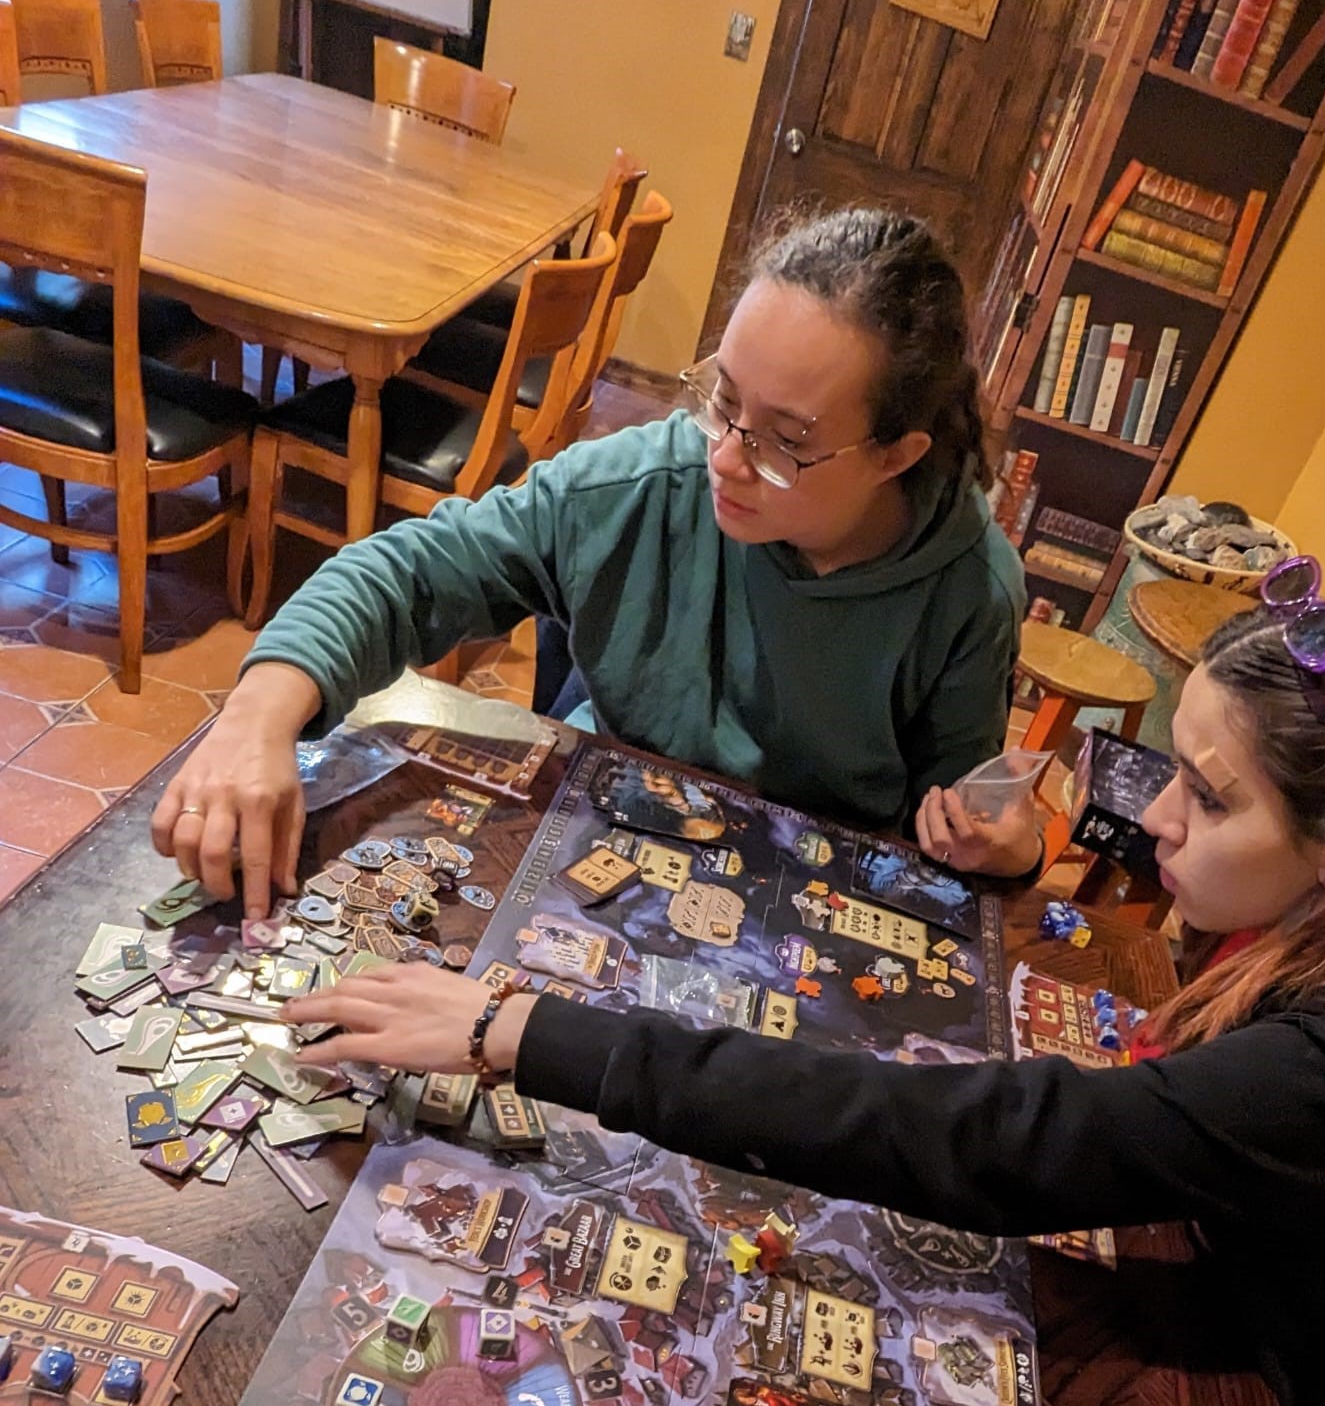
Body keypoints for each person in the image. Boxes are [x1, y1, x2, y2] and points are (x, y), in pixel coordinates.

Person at [290, 575, 1325, 1406]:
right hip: (1240, 1307)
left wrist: (522, 1030)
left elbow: (976, 1137)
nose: (1155, 820)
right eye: (1165, 769)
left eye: (1205, 794)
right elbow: (1107, 849)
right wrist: (1012, 847)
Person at [152, 208, 1036, 916]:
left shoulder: (970, 591)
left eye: (783, 443)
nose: (724, 457)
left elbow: (950, 831)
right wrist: (256, 716)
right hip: (590, 867)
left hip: (788, 918)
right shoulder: (643, 481)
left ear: (897, 454)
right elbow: (409, 571)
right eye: (721, 400)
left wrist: (1001, 845)